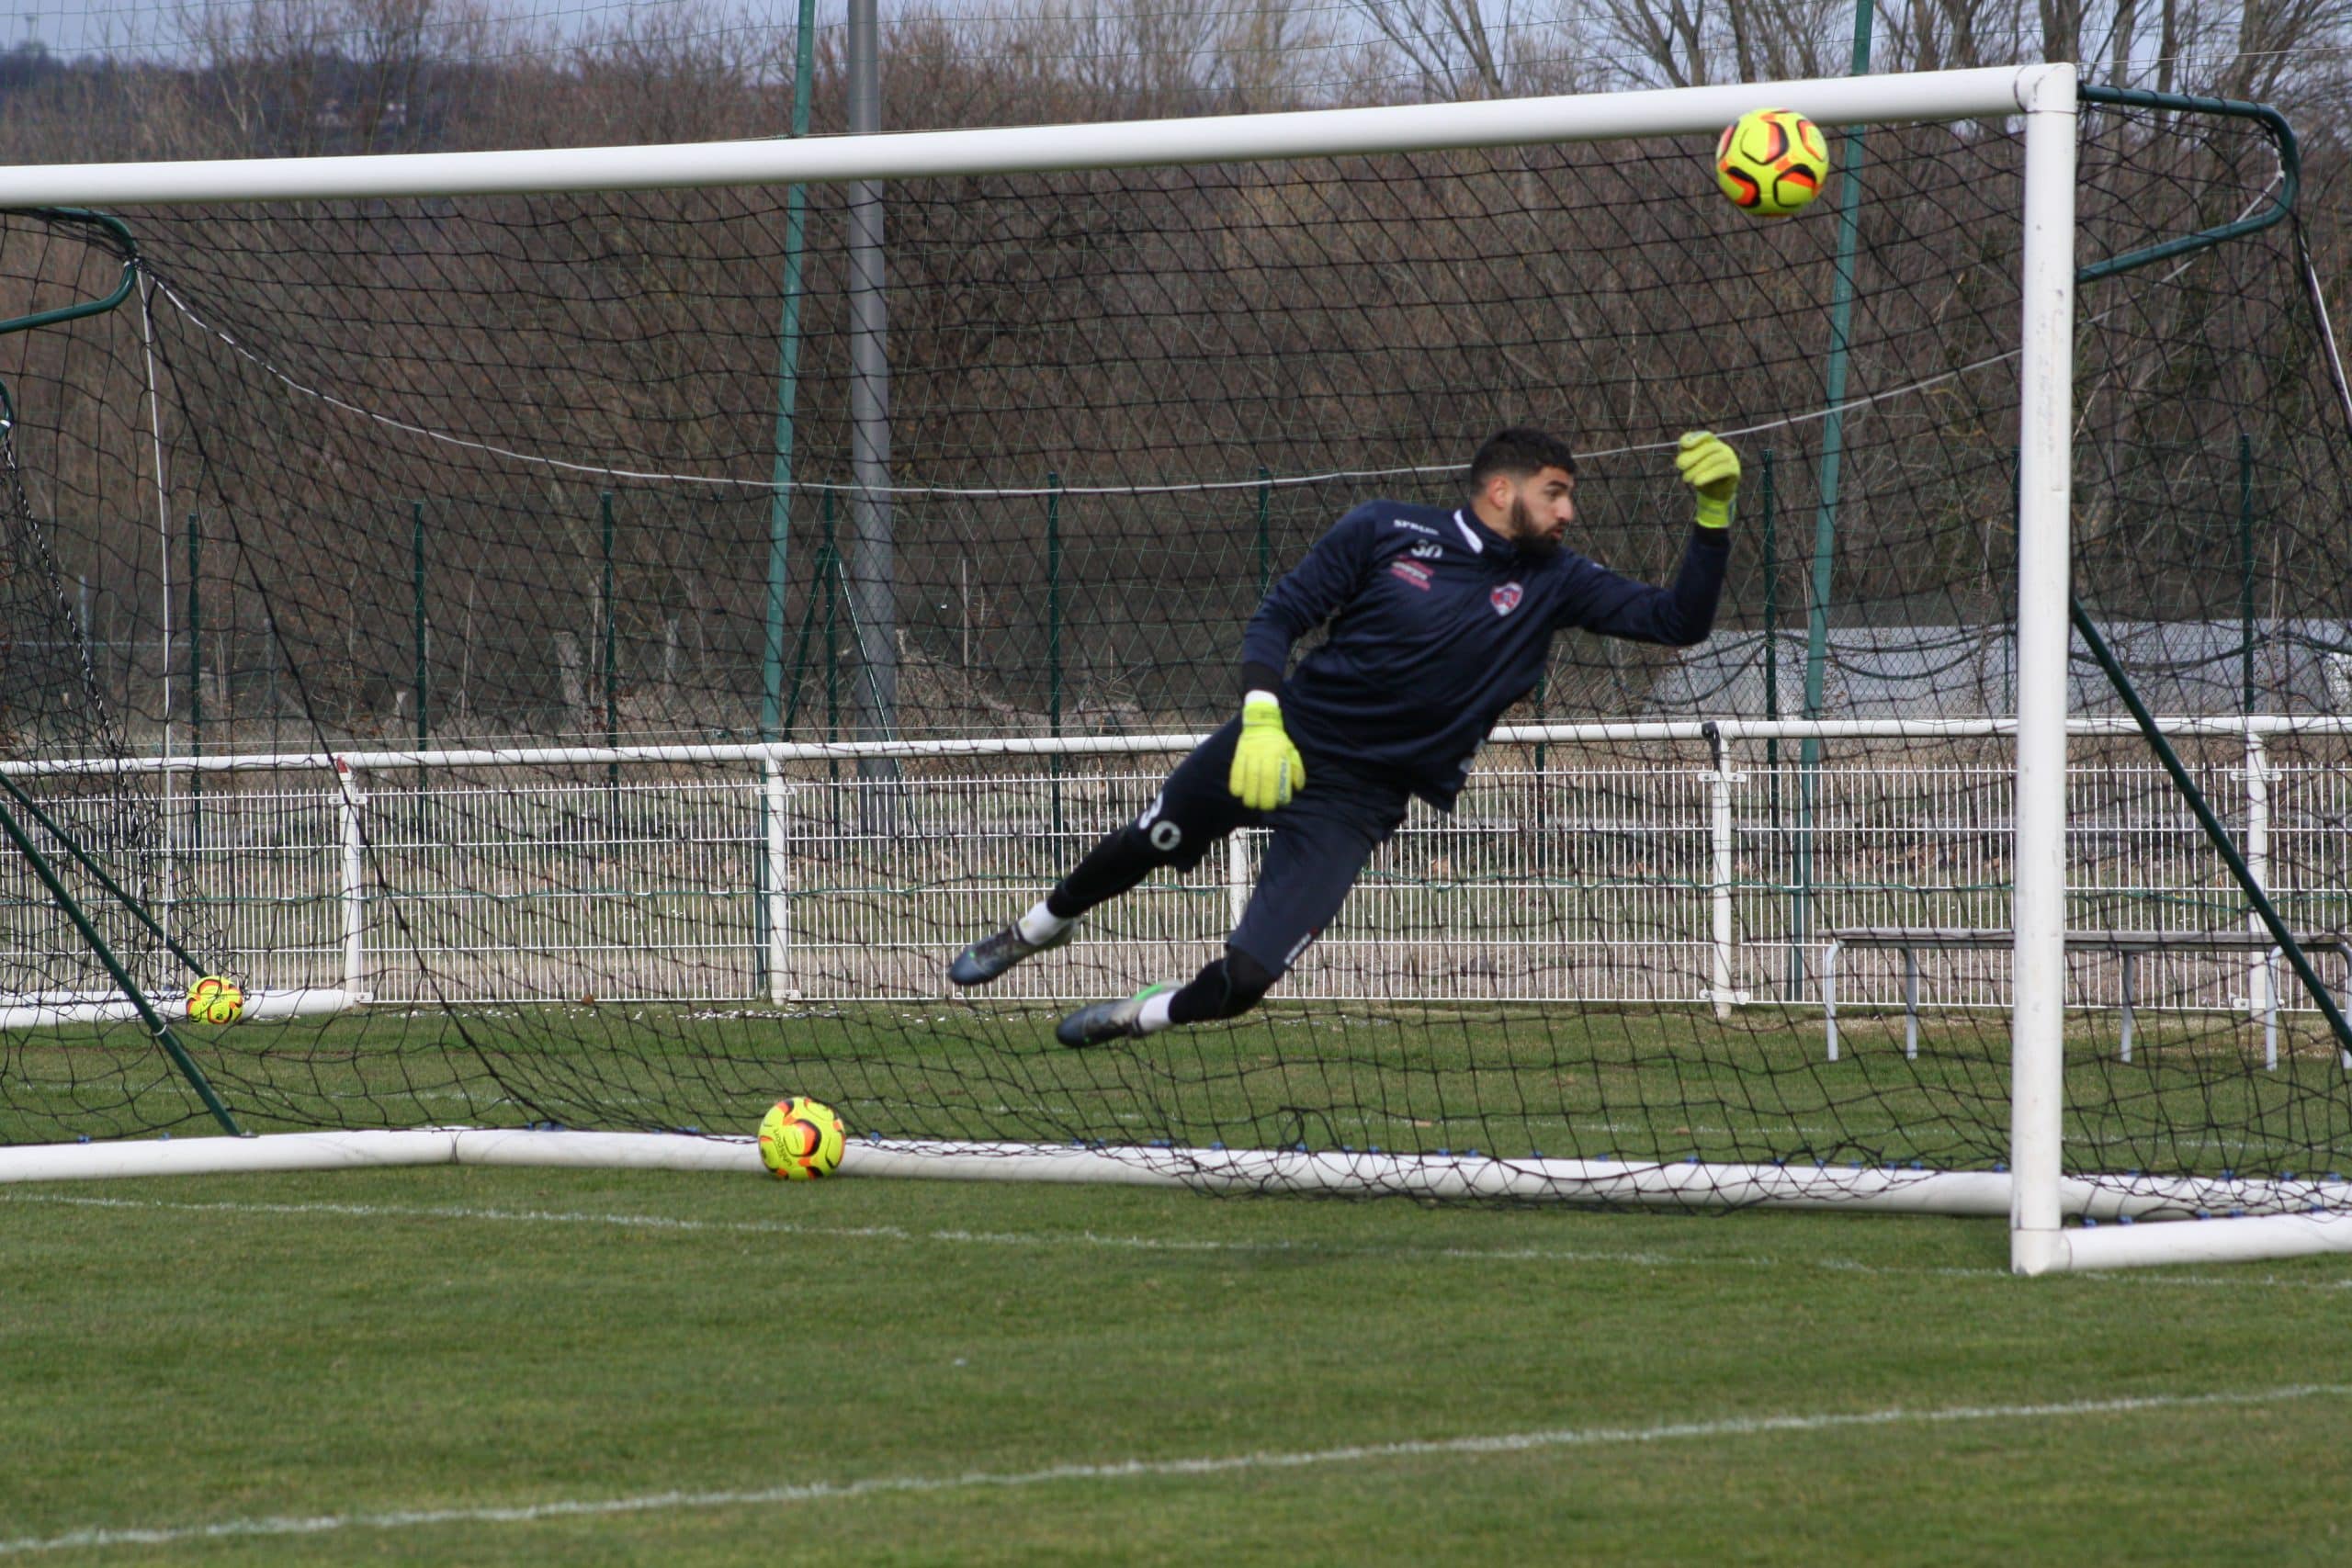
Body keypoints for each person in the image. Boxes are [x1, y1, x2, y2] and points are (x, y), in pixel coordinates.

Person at [948, 426, 1738, 1045]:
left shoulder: (1557, 582)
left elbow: (1679, 622)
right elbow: (1278, 616)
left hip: (1356, 802)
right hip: (1282, 736)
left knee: (1246, 980)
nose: (1569, 511)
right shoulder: (1384, 530)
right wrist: (1262, 714)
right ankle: (1035, 930)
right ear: (1502, 490)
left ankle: (1140, 1016)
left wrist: (1712, 518)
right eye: (1556, 492)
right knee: (1151, 837)